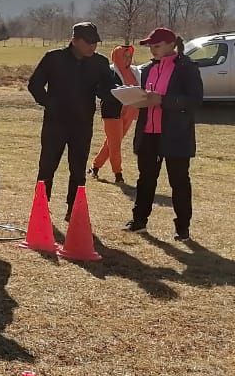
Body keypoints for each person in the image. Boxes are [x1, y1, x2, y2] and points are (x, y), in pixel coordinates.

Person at [27, 22, 118, 220]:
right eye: (88, 42)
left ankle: (74, 211)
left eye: (95, 42)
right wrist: (49, 104)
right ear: (74, 40)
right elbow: (34, 84)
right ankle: (40, 209)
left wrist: (119, 93)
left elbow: (108, 89)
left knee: (78, 170)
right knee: (47, 168)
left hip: (82, 124)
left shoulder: (100, 63)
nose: (92, 46)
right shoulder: (53, 58)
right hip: (55, 123)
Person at [125, 28, 203, 241]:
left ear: (171, 45)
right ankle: (139, 221)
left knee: (179, 181)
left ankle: (182, 228)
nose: (152, 49)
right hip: (149, 132)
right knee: (145, 179)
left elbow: (195, 99)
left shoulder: (187, 68)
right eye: (150, 45)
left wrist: (163, 100)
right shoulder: (149, 68)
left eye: (156, 45)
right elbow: (147, 98)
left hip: (175, 134)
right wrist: (136, 99)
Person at [90, 44, 139, 183]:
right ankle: (118, 174)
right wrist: (120, 92)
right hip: (112, 112)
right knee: (115, 144)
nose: (128, 59)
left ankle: (95, 167)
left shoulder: (135, 71)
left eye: (129, 56)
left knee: (111, 143)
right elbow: (102, 92)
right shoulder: (109, 71)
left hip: (129, 111)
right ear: (117, 56)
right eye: (124, 56)